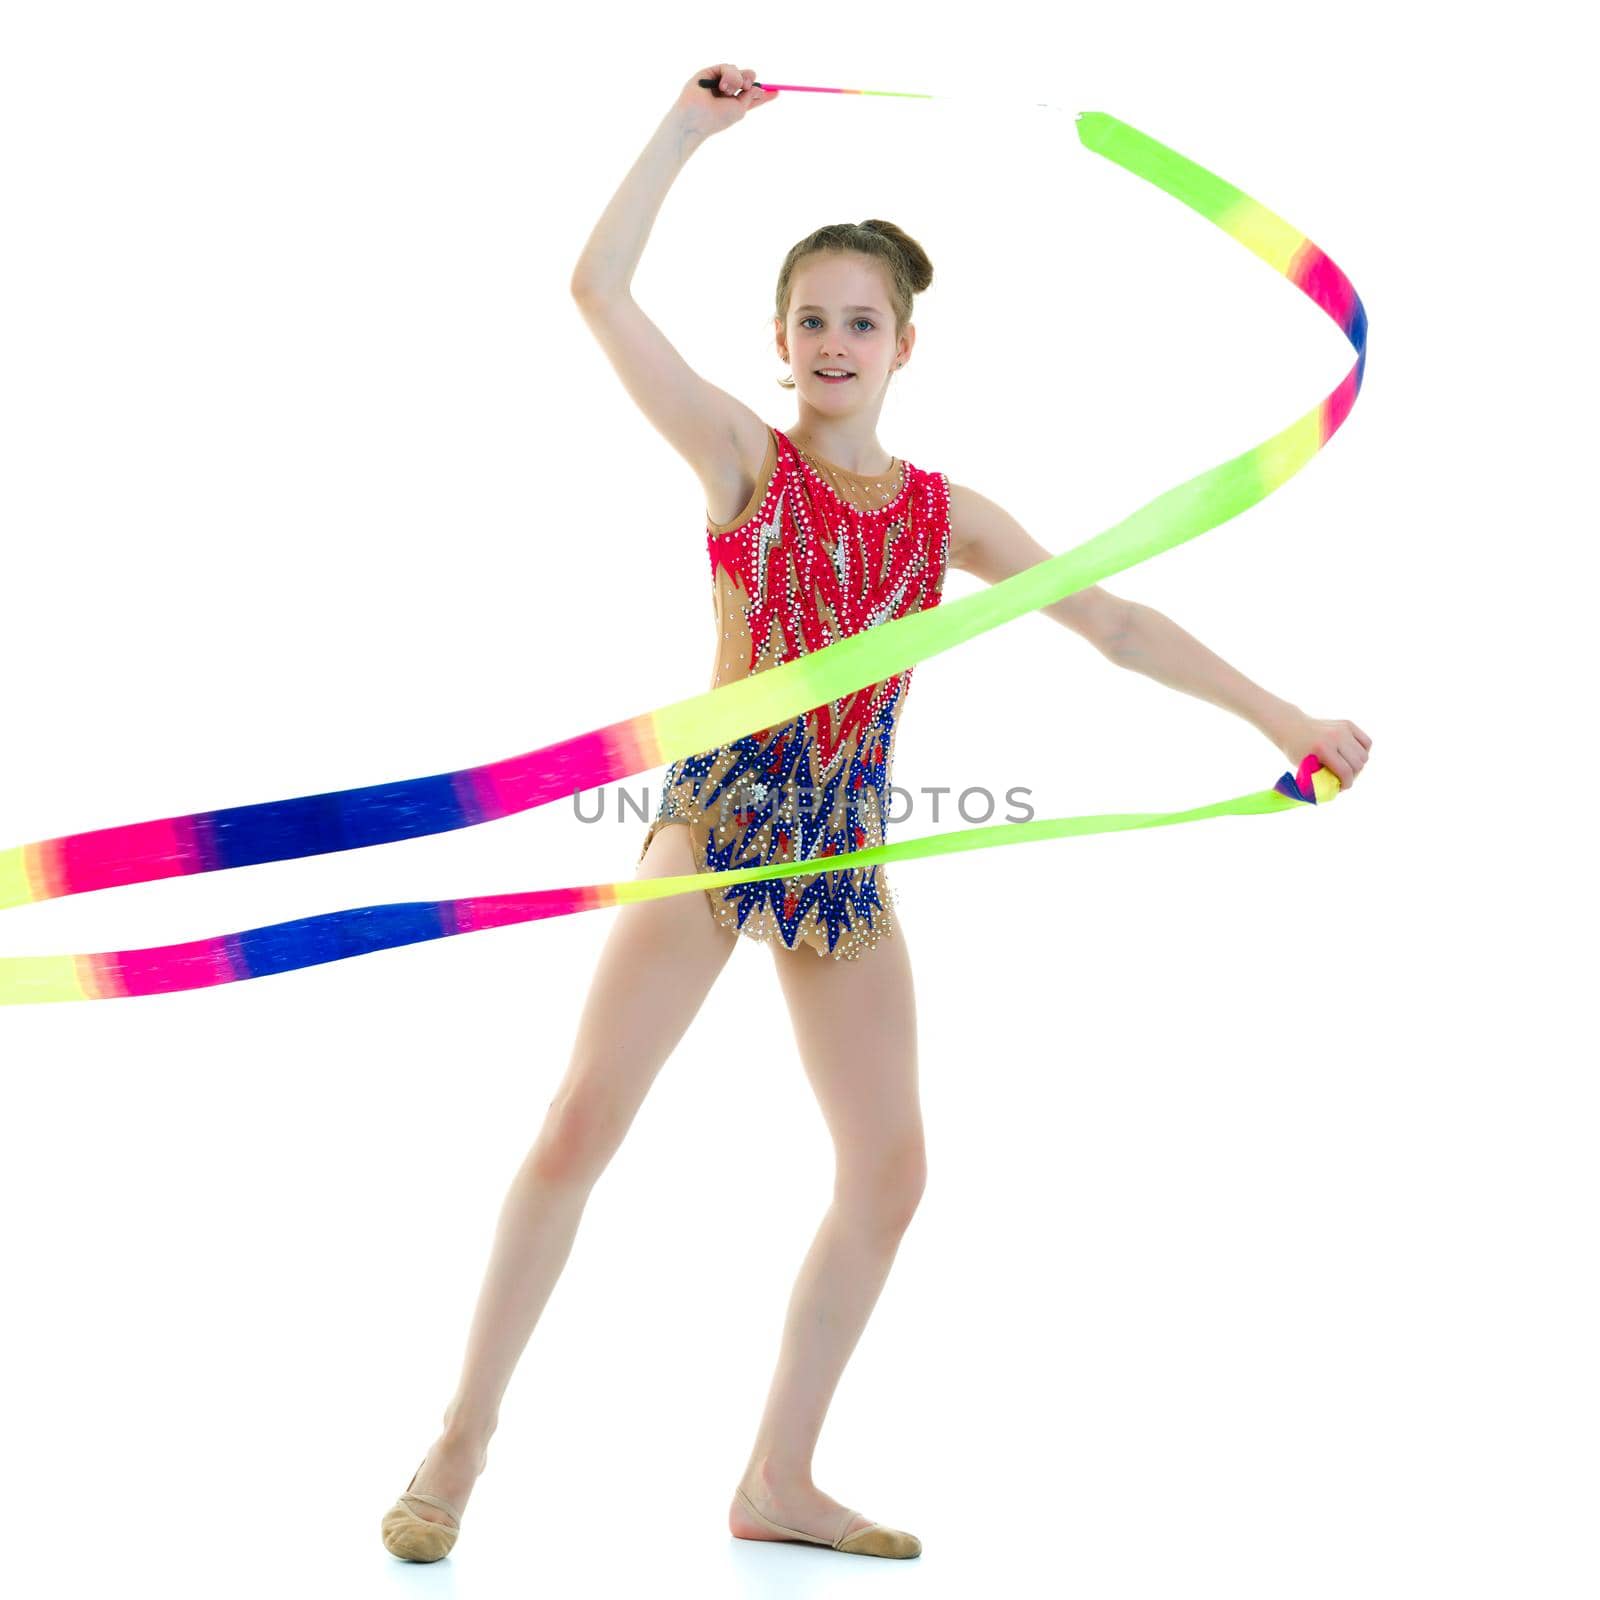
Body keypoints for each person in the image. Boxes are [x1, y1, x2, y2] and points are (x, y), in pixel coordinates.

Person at [380, 61, 1373, 1565]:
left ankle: (777, 1478)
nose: (835, 341)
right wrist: (686, 132)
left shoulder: (943, 516)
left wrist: (1282, 718)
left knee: (892, 1171)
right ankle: (459, 1442)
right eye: (811, 320)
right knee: (584, 1120)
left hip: (845, 856)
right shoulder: (741, 462)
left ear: (905, 344)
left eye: (862, 320)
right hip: (716, 831)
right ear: (776, 346)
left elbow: (1110, 624)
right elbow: (595, 288)